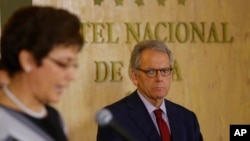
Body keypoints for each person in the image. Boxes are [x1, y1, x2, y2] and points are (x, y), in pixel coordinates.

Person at [0, 6, 84, 141]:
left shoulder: (54, 117)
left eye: (74, 65)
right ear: (28, 61)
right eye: (63, 64)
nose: (72, 76)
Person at [96, 40, 203, 141]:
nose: (160, 78)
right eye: (151, 71)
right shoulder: (114, 120)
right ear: (135, 76)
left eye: (165, 71)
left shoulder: (188, 119)